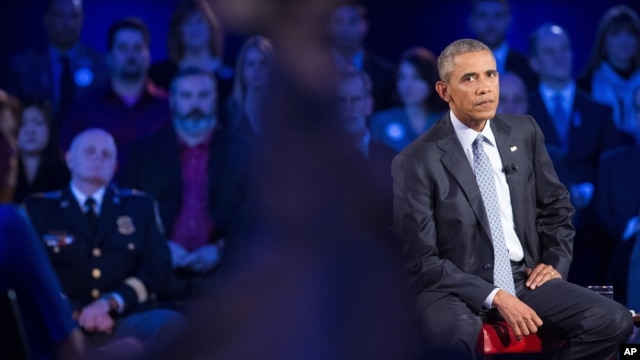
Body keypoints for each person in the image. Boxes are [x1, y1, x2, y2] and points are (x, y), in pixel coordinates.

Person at [392, 38, 632, 359]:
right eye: (469, 78)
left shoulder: (524, 132)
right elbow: (421, 259)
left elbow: (557, 207)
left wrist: (554, 263)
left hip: (523, 280)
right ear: (444, 91)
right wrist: (495, 296)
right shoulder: (416, 160)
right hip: (453, 288)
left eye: (490, 75)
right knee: (453, 338)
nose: (484, 87)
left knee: (612, 320)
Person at [23, 128, 185, 351]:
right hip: (62, 322)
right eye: (90, 151)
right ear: (69, 158)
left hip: (121, 318)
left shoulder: (139, 207)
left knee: (169, 323)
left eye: (107, 154)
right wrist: (77, 312)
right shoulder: (39, 210)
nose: (99, 157)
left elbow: (157, 268)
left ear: (116, 166)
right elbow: (30, 273)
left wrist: (110, 303)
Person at [120, 67, 248, 302]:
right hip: (156, 276)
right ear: (172, 101)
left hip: (225, 279)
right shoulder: (142, 152)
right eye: (187, 96)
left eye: (203, 95)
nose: (195, 104)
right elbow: (127, 212)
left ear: (216, 99)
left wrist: (221, 248)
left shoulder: (242, 151)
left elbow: (255, 215)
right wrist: (160, 247)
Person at [526, 23, 626, 286]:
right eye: (550, 52)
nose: (559, 57)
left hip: (594, 233)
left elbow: (616, 171)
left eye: (564, 49)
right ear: (535, 62)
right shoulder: (523, 110)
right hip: (541, 233)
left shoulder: (599, 111)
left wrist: (594, 190)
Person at [59, 18, 171, 168]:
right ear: (109, 57)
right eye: (123, 48)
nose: (131, 55)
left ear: (149, 56)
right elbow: (67, 154)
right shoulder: (85, 108)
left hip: (155, 190)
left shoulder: (169, 106)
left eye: (138, 48)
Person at [5, 0, 109, 133]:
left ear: (82, 20)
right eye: (60, 15)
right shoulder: (22, 66)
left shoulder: (102, 65)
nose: (68, 23)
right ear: (46, 20)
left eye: (74, 16)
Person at [149, 0, 234, 106]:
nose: (194, 28)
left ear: (210, 27)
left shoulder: (233, 72)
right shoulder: (160, 75)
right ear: (178, 30)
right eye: (187, 22)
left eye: (200, 21)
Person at [578, 5, 640, 139]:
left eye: (630, 34)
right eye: (616, 34)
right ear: (604, 41)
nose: (624, 41)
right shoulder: (584, 86)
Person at [369, 47, 447, 152]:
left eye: (416, 77)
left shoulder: (448, 122)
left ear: (431, 80)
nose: (408, 85)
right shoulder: (381, 122)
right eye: (402, 77)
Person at [325, 1, 394, 111]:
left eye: (352, 22)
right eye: (339, 22)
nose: (345, 29)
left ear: (364, 26)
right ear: (328, 27)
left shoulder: (386, 73)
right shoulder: (310, 73)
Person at [467, 0, 537, 91]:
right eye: (483, 16)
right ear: (472, 21)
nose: (490, 23)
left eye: (497, 15)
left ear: (508, 21)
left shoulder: (527, 67)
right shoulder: (458, 66)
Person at [14, 98, 70, 203]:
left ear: (50, 128)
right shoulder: (4, 173)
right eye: (22, 123)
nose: (30, 130)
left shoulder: (65, 176)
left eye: (38, 123)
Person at [226, 35, 277, 135]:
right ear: (242, 70)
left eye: (263, 63)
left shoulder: (284, 114)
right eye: (250, 64)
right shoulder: (229, 113)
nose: (257, 70)